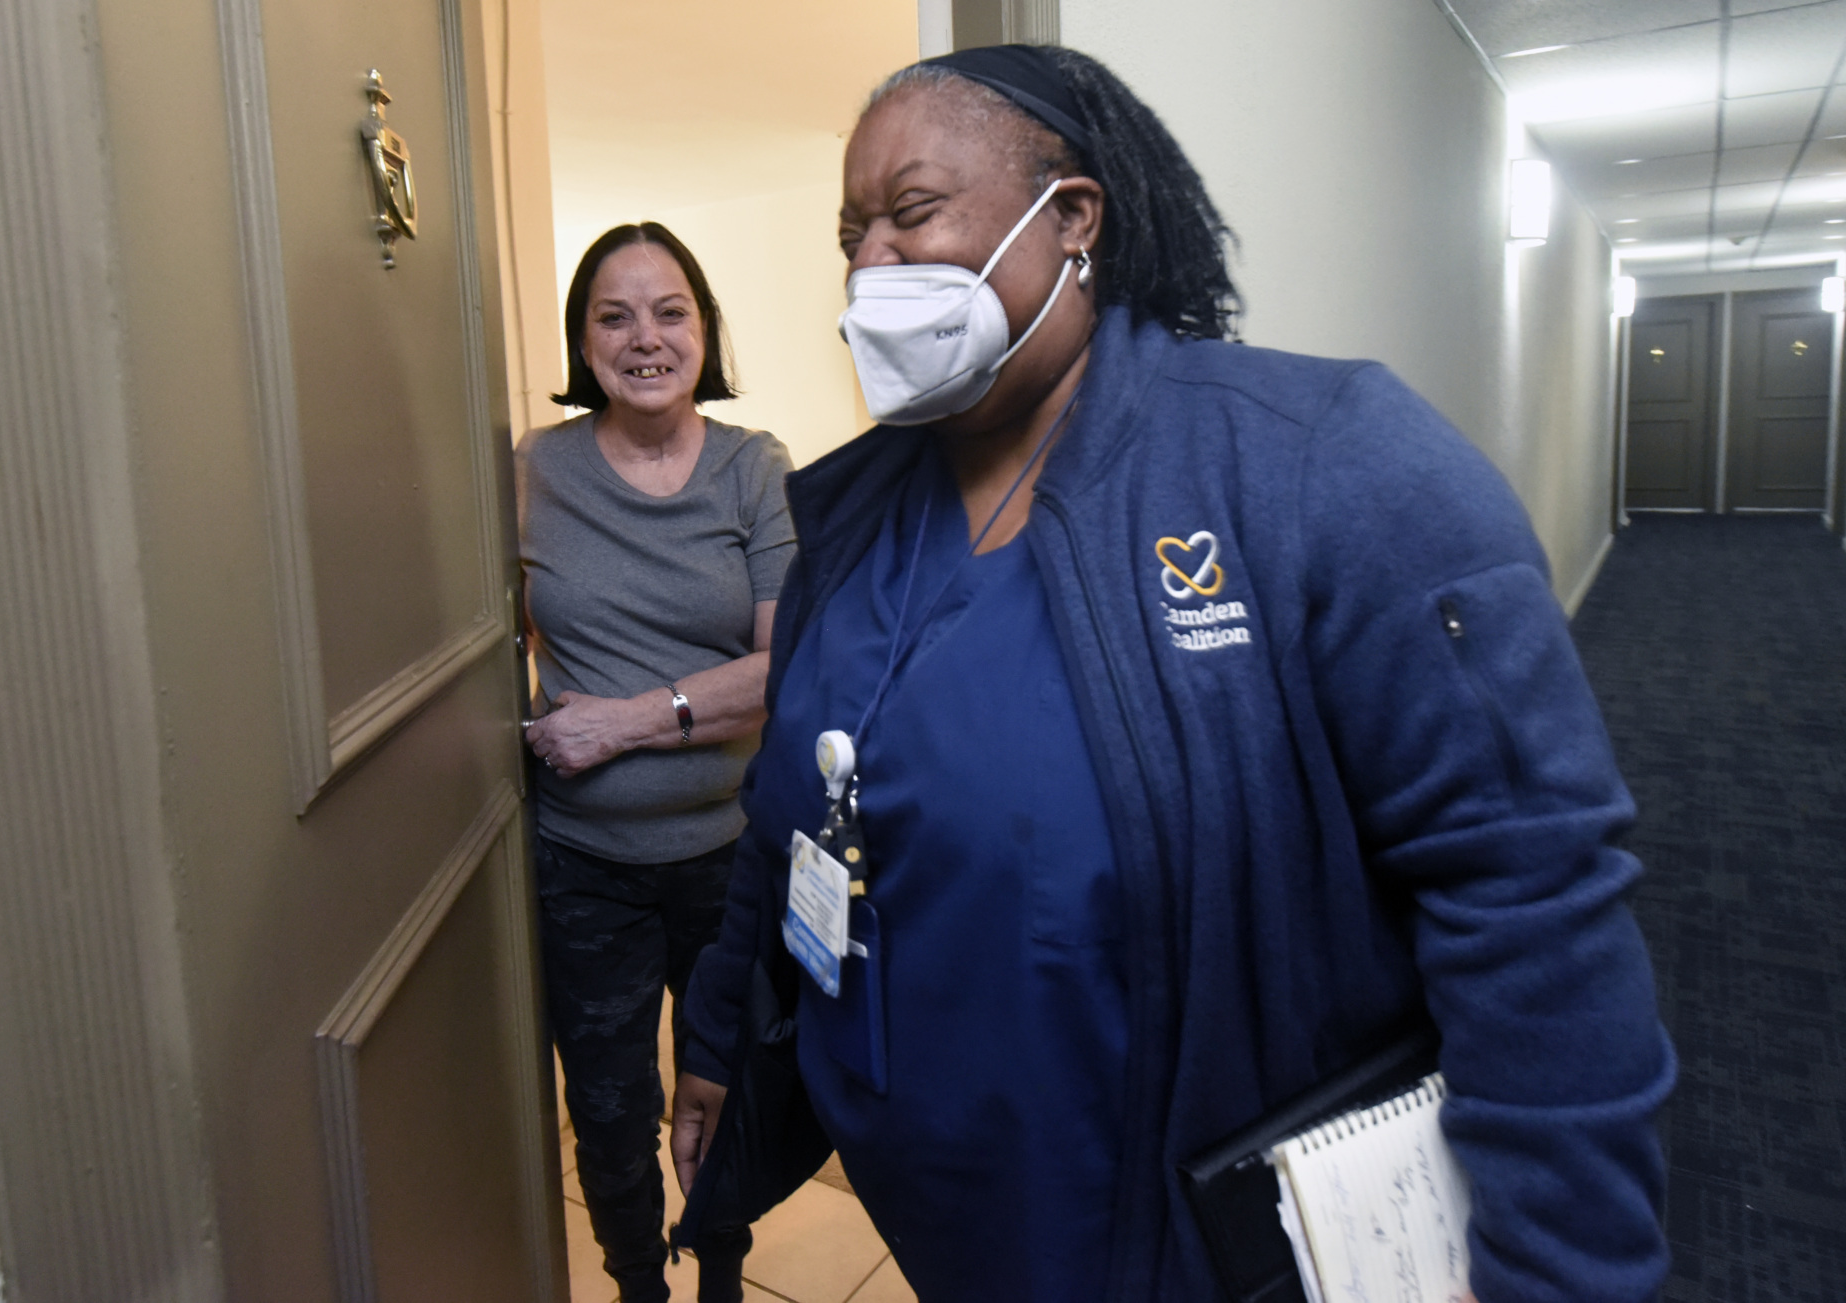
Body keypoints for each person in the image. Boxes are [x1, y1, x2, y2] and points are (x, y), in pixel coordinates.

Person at [671, 44, 1674, 1303]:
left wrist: (1562, 1274)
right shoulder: (857, 510)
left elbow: (1531, 912)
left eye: (911, 214)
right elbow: (794, 812)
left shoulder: (1322, 469)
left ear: (1072, 217)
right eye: (850, 233)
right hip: (935, 1204)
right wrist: (718, 1032)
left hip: (1172, 1242)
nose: (868, 266)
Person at [519, 222, 793, 1303]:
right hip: (582, 865)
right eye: (613, 314)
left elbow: (786, 669)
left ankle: (720, 1272)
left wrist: (622, 721)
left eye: (669, 311)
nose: (645, 338)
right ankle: (638, 1284)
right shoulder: (529, 472)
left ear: (704, 330)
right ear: (584, 344)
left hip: (729, 855)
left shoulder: (752, 469)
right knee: (609, 1108)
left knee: (724, 1085)